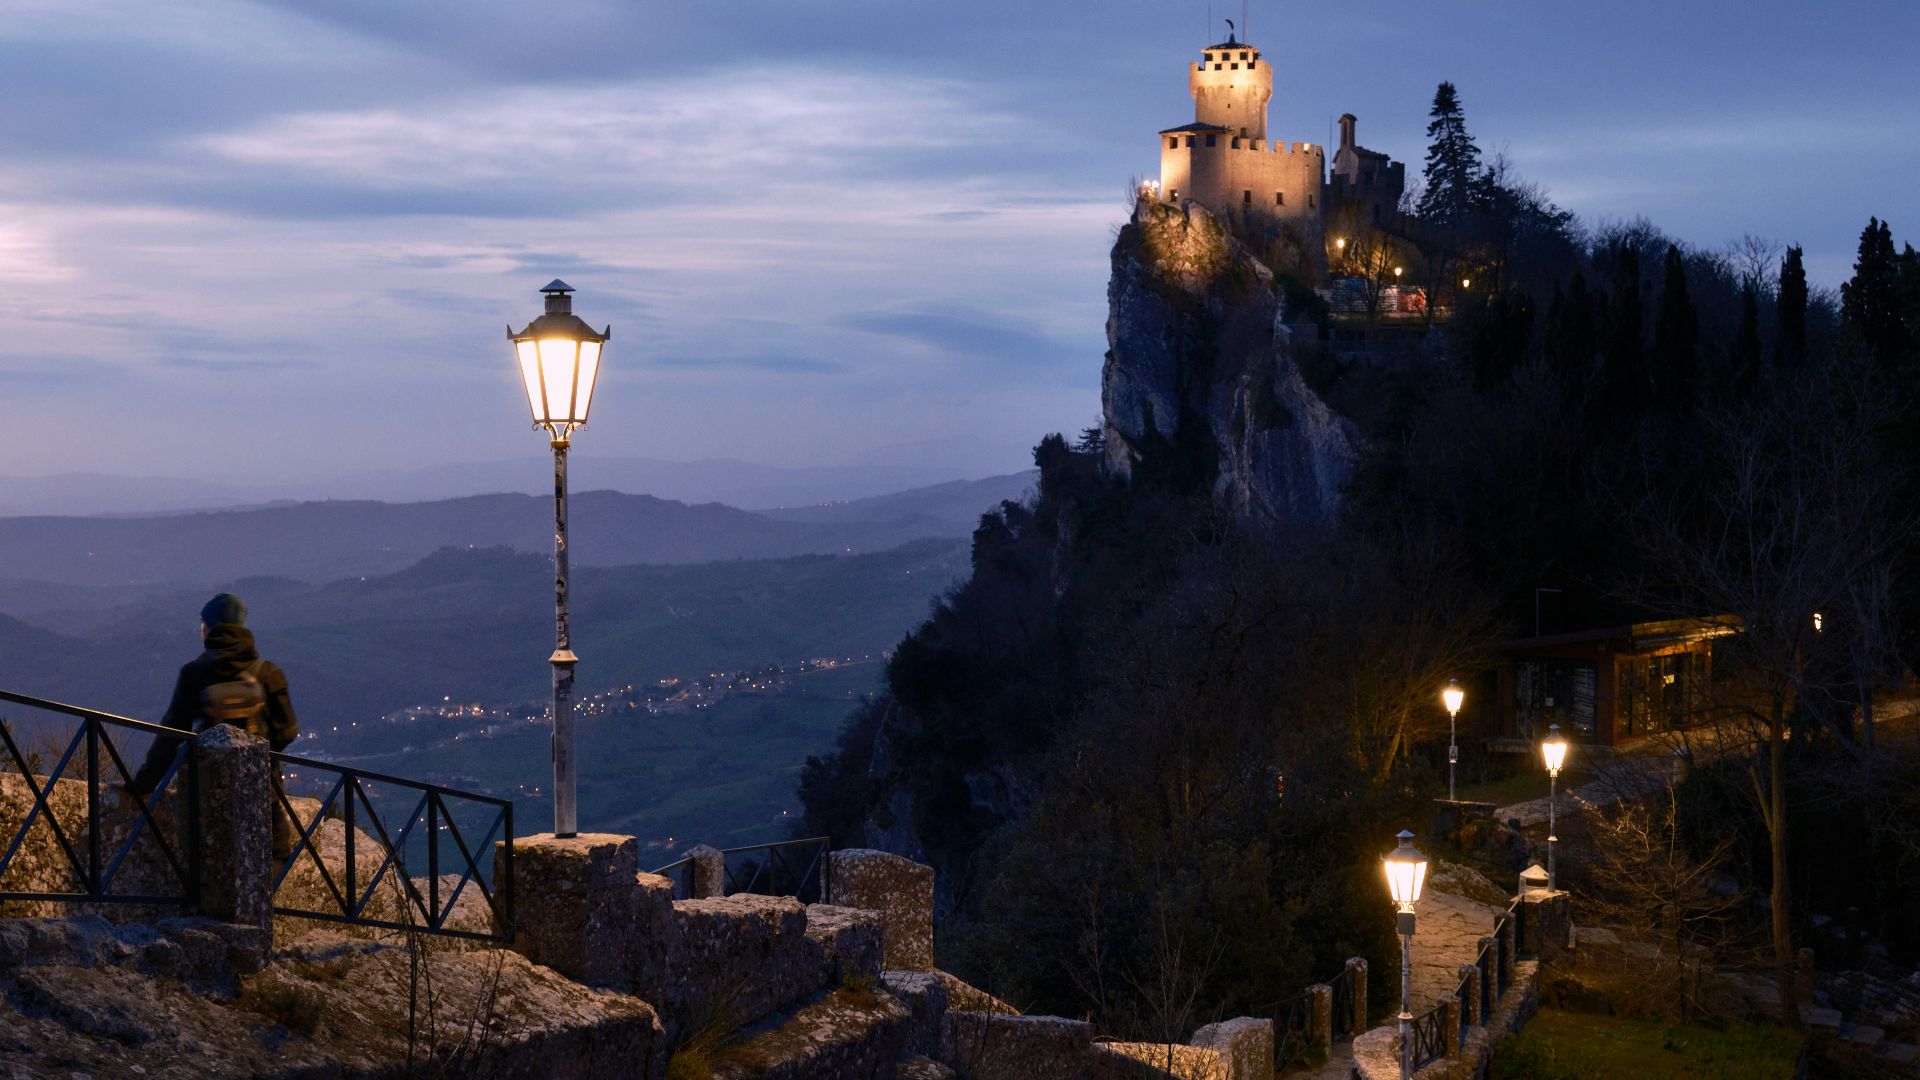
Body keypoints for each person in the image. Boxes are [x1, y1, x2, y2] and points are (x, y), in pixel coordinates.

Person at [128, 593, 299, 862]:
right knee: (273, 862)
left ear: (210, 627)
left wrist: (141, 785)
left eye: (202, 623)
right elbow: (288, 729)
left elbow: (170, 736)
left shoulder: (194, 673)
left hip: (207, 792)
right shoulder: (268, 673)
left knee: (206, 863)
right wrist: (259, 754)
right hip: (263, 791)